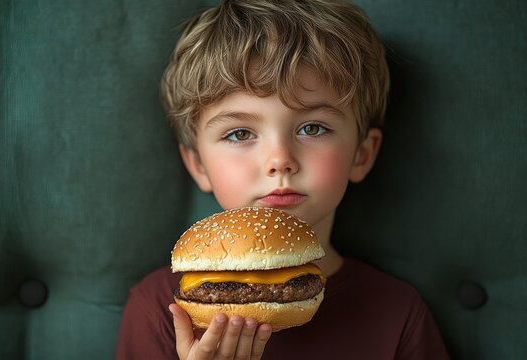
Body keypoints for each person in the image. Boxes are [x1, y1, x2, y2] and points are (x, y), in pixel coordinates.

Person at [117, 0, 449, 359]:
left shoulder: (398, 312)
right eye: (240, 134)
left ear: (362, 155)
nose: (280, 161)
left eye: (312, 128)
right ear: (198, 164)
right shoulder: (160, 310)